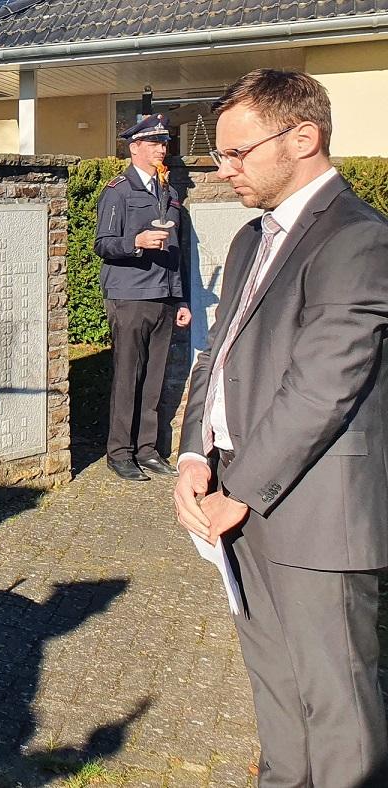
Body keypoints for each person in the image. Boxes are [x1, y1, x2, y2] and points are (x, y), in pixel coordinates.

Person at [174, 69, 388, 785]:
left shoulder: (359, 242)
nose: (221, 168)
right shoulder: (247, 241)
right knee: (276, 691)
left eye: (238, 152)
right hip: (238, 495)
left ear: (304, 137)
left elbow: (325, 384)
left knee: (338, 711)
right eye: (220, 154)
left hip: (317, 513)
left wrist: (244, 487)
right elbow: (218, 353)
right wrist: (191, 455)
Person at [94, 114, 192, 482]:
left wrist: (181, 300)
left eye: (164, 143)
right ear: (134, 147)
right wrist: (135, 243)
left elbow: (178, 249)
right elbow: (102, 244)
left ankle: (148, 450)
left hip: (164, 294)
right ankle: (119, 452)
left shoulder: (169, 191)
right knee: (127, 377)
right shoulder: (118, 190)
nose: (161, 149)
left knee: (155, 377)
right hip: (131, 294)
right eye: (154, 143)